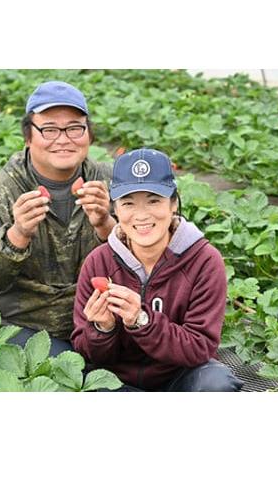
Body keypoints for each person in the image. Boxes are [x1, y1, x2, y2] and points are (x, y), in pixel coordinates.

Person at [0, 81, 116, 354]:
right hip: (27, 326)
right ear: (28, 136)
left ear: (89, 134)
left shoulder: (113, 183)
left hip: (102, 320)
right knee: (67, 375)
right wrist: (16, 235)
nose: (63, 139)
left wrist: (106, 225)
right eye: (49, 129)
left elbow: (152, 260)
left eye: (74, 127)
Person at [71, 148, 243, 391]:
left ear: (174, 204)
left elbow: (200, 348)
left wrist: (141, 321)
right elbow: (87, 353)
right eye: (128, 203)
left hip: (178, 378)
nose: (141, 215)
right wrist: (102, 329)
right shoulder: (98, 263)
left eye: (154, 200)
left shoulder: (205, 262)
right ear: (116, 209)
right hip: (117, 382)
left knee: (216, 383)